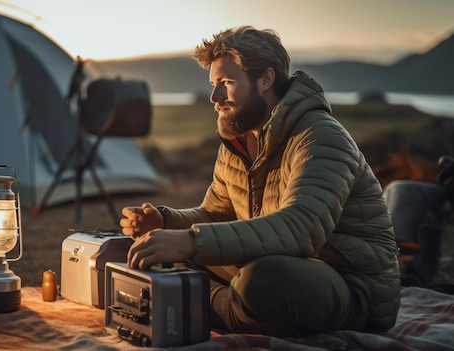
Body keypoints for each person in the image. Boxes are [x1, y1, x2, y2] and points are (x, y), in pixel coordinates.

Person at [120, 26, 400, 336]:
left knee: (262, 281)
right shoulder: (239, 140)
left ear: (265, 79)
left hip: (348, 285)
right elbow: (217, 215)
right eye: (213, 84)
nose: (214, 97)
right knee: (147, 253)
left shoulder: (320, 137)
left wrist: (189, 242)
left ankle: (197, 300)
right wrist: (165, 221)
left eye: (226, 83)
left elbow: (301, 229)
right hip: (267, 259)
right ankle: (218, 302)